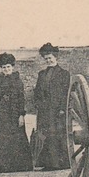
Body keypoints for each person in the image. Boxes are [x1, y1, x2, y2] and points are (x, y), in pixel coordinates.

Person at [0, 53, 32, 173]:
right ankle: (1, 165)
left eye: (8, 67)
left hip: (14, 112)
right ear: (1, 68)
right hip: (1, 112)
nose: (6, 69)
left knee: (16, 137)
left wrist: (21, 114)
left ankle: (18, 165)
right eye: (4, 67)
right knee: (1, 137)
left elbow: (21, 98)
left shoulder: (17, 81)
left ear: (12, 67)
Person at [33, 42, 71, 170]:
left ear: (56, 58)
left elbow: (66, 93)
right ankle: (49, 163)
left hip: (57, 110)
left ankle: (61, 163)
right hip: (44, 110)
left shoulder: (64, 74)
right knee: (47, 135)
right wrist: (37, 103)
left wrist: (62, 108)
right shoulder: (42, 74)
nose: (48, 60)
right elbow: (37, 91)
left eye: (50, 58)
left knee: (58, 135)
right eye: (46, 58)